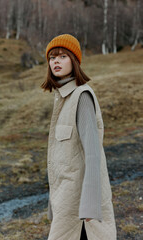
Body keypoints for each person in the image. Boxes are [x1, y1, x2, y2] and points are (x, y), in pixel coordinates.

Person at [41, 34, 117, 240]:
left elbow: (92, 153)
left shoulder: (81, 96)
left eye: (63, 56)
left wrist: (91, 204)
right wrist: (53, 203)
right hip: (66, 202)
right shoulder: (61, 99)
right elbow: (61, 160)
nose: (56, 61)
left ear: (74, 61)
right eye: (52, 57)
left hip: (83, 209)